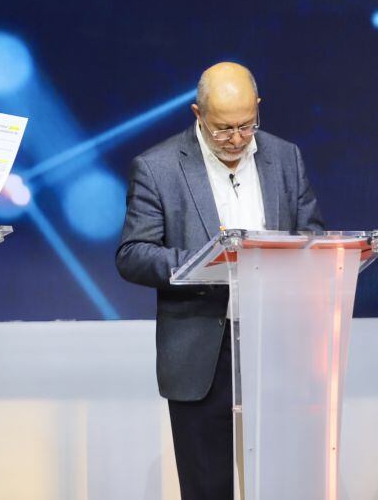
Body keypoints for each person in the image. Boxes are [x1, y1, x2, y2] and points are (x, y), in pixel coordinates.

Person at [115, 61, 323, 498]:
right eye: (222, 129)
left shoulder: (285, 157)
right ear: (197, 114)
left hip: (275, 347)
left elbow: (312, 236)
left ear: (259, 109)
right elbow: (132, 255)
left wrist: (311, 252)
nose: (236, 140)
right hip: (202, 351)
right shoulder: (157, 167)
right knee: (207, 487)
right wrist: (207, 262)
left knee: (282, 483)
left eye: (247, 126)